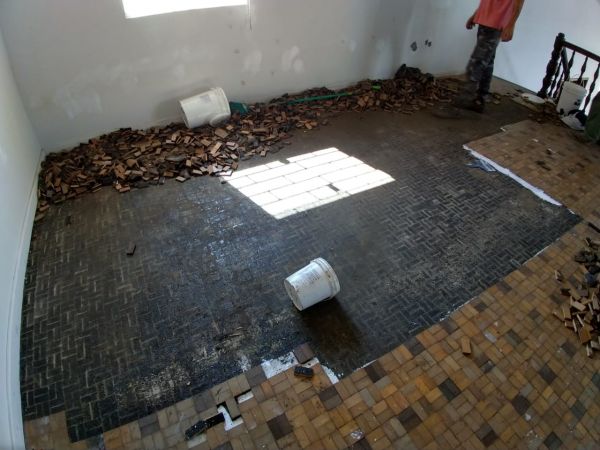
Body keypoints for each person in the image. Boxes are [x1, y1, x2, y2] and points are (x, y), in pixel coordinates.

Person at [457, 0, 525, 112]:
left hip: (496, 23)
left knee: (476, 63)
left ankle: (463, 101)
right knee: (487, 62)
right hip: (485, 21)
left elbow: (519, 2)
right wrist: (475, 15)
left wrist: (511, 25)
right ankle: (480, 100)